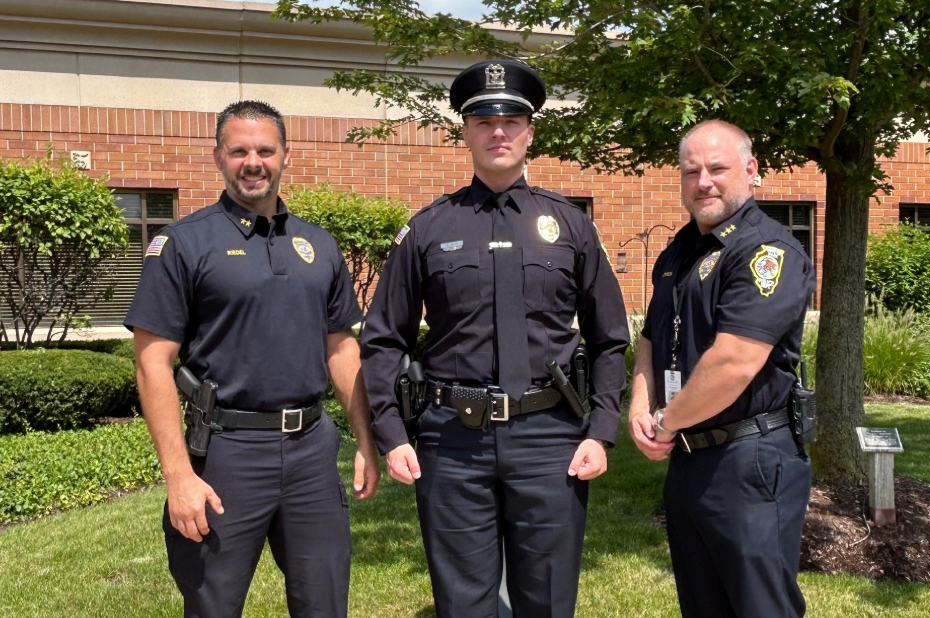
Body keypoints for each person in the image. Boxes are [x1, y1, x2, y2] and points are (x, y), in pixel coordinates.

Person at [359, 60, 630, 618]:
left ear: (530, 131)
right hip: (452, 443)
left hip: (549, 439)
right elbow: (385, 338)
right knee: (462, 603)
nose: (498, 131)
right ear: (465, 131)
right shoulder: (430, 227)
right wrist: (392, 434)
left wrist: (601, 431)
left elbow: (609, 338)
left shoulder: (571, 226)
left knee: (548, 600)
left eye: (511, 119)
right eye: (484, 120)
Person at [126, 100, 380, 618]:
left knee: (325, 601)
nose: (253, 161)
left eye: (265, 150)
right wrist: (178, 477)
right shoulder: (183, 244)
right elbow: (152, 362)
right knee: (212, 602)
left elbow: (342, 348)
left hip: (311, 450)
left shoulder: (319, 245)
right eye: (238, 150)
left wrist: (365, 440)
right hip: (226, 453)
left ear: (286, 155)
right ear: (217, 157)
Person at [628, 120, 815, 617]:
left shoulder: (765, 250)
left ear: (751, 171)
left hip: (750, 458)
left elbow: (734, 362)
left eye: (717, 169)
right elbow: (651, 335)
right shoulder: (677, 252)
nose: (703, 181)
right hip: (690, 457)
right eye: (692, 171)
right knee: (703, 604)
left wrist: (666, 421)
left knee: (759, 607)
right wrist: (640, 406)